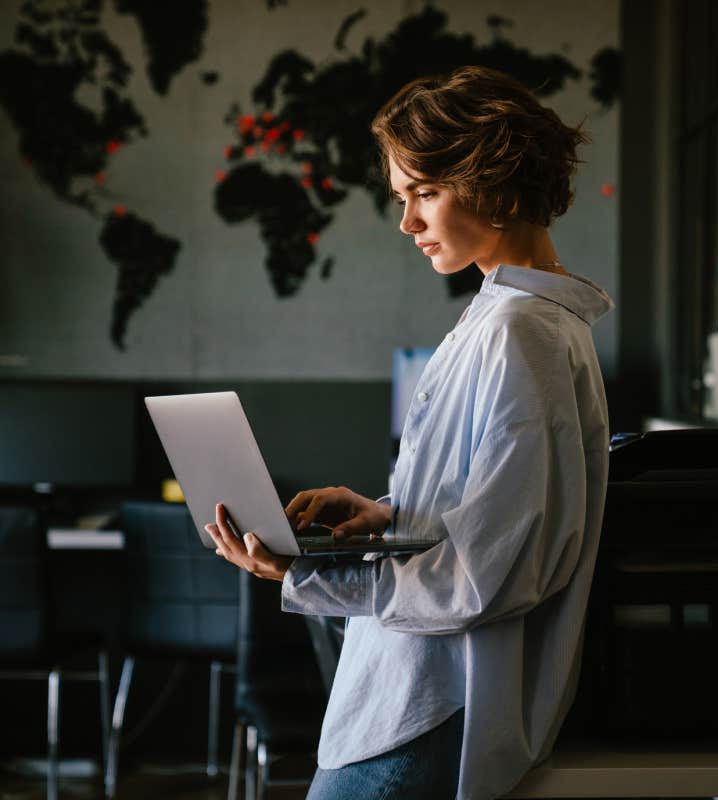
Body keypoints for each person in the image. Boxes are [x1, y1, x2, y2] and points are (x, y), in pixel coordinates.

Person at [205, 65, 614, 800]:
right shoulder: (503, 319)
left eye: (425, 192)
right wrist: (385, 514)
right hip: (413, 693)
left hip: (431, 705)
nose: (409, 223)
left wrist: (308, 573)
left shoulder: (526, 334)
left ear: (497, 177)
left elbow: (495, 571)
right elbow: (491, 510)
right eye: (404, 198)